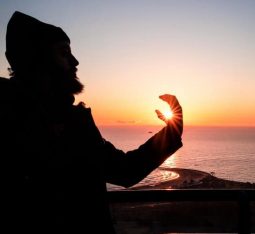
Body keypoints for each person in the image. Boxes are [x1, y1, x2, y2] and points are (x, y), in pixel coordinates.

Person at [0, 11, 183, 233]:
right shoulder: (9, 119)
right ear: (37, 60)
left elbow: (124, 170)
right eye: (64, 52)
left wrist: (172, 132)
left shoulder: (76, 121)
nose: (75, 61)